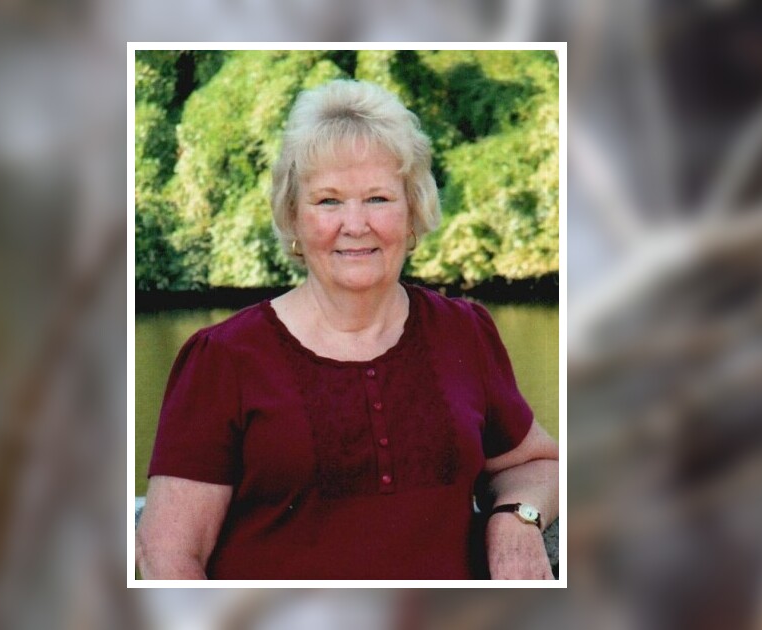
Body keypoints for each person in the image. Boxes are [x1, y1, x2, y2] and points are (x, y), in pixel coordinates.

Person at [136, 79, 558, 579]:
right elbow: (166, 556)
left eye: (378, 198)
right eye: (328, 201)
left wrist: (516, 520)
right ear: (293, 216)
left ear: (413, 211)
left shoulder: (463, 332)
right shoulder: (223, 359)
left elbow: (536, 463)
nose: (355, 225)